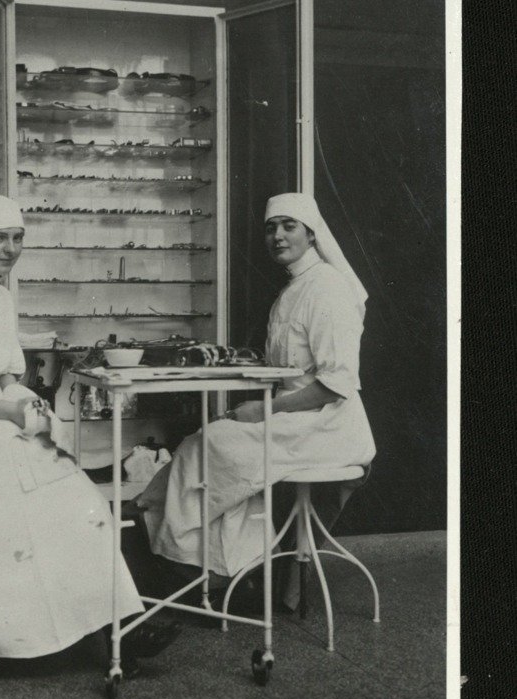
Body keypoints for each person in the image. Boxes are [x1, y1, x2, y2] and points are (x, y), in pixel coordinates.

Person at [0, 193, 179, 673]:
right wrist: (8, 415)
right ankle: (24, 637)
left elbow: (7, 372)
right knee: (24, 490)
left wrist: (25, 400)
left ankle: (116, 625)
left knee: (74, 493)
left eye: (17, 238)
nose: (10, 249)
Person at [137, 192, 376, 598]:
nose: (278, 236)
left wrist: (265, 409)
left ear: (312, 234)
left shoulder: (328, 289)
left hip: (328, 425)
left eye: (288, 226)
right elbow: (286, 365)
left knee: (213, 444)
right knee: (208, 441)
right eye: (270, 228)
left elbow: (336, 383)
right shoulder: (294, 289)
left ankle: (186, 562)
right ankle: (211, 564)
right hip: (296, 419)